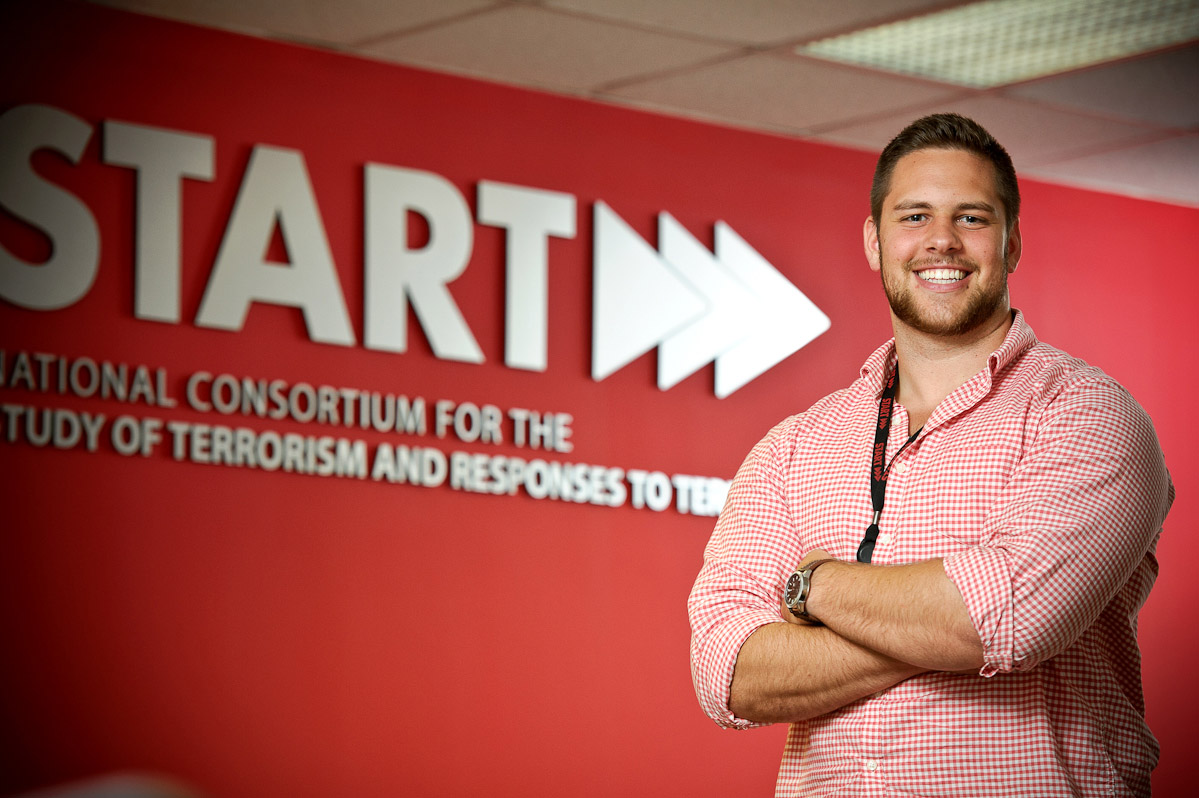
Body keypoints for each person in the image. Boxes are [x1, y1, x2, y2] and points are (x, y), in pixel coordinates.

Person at [687, 113, 1173, 797]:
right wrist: (930, 621)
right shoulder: (793, 448)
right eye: (913, 216)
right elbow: (726, 672)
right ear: (873, 239)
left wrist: (813, 586)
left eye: (971, 217)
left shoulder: (1087, 417)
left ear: (1011, 244)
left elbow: (1005, 618)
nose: (940, 241)